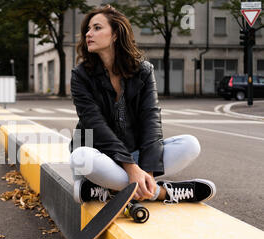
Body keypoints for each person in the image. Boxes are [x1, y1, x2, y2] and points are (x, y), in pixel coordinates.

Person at [69, 5, 216, 205]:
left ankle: (108, 190)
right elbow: (94, 123)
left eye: (96, 28)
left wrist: (145, 170)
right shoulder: (81, 75)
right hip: (99, 155)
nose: (88, 34)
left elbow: (151, 120)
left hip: (135, 154)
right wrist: (131, 168)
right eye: (88, 29)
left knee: (190, 144)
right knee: (80, 155)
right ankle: (161, 193)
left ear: (115, 35)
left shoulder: (143, 71)